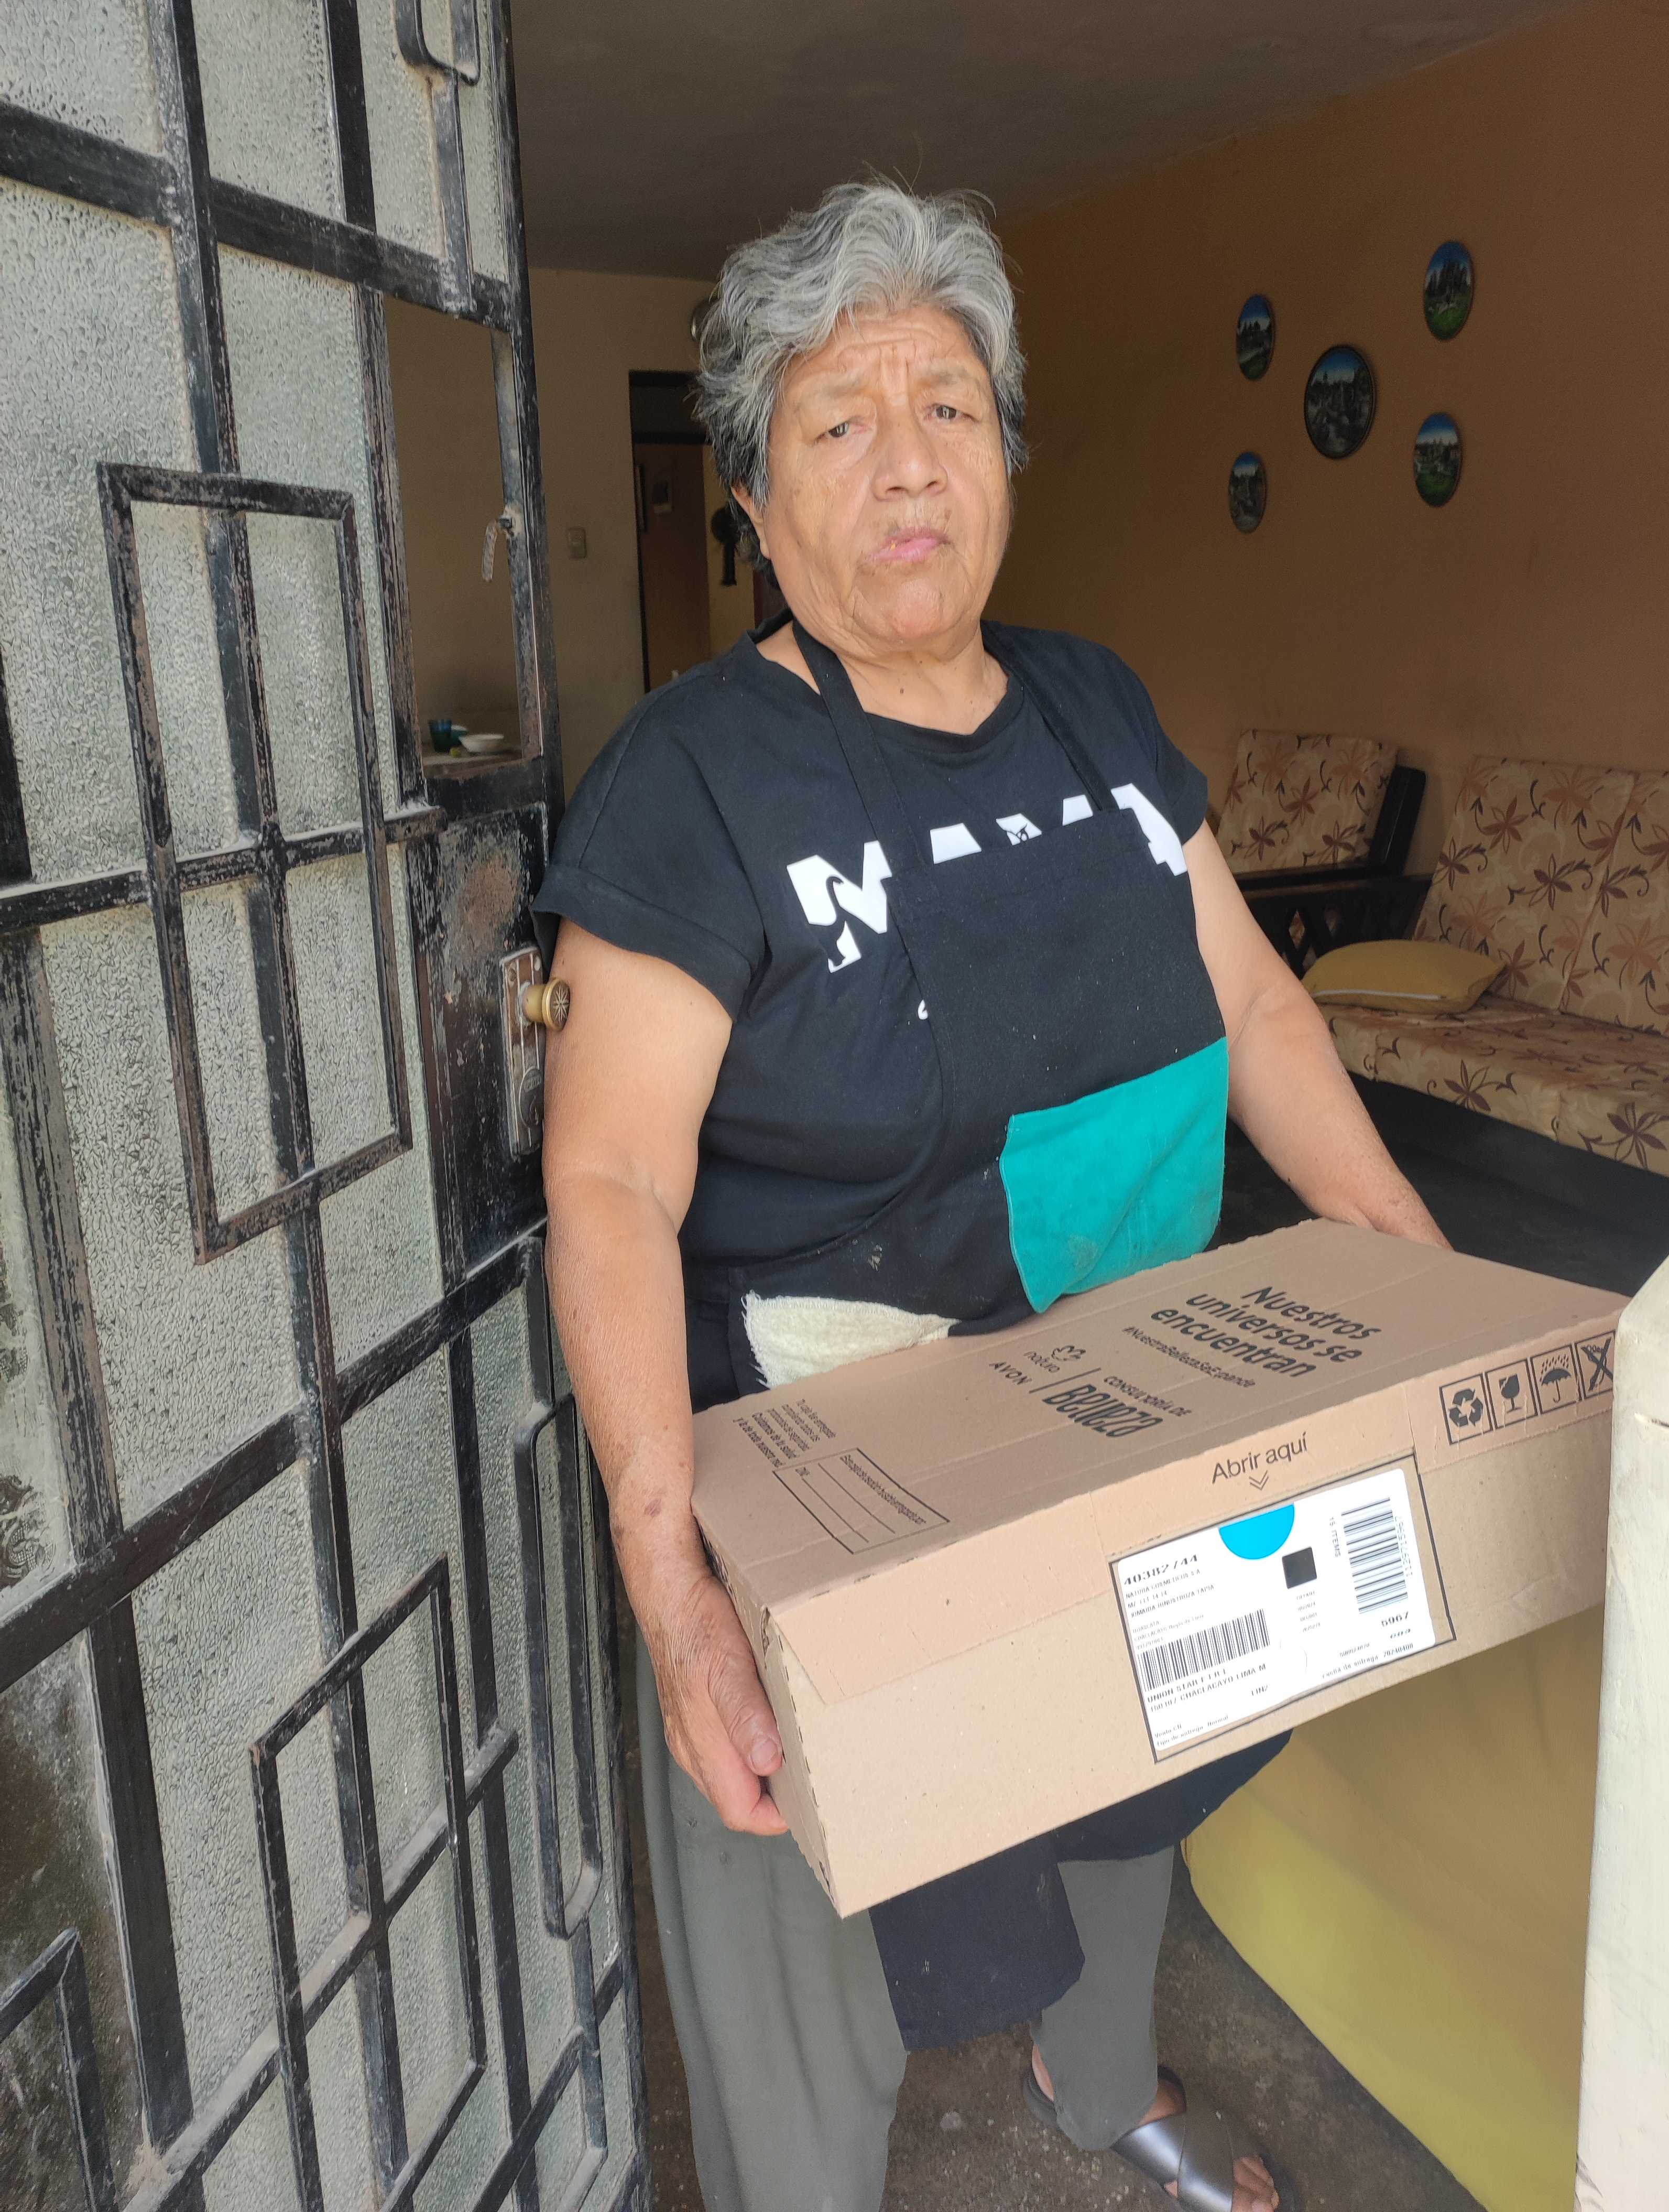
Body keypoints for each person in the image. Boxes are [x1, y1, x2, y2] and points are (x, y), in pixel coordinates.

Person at [538, 181, 1446, 2212]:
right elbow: (605, 1176)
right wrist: (676, 1584)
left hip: (1129, 1398)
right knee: (812, 1900)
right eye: (838, 421)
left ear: (1007, 454)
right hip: (835, 1467)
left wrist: (1412, 1264)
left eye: (947, 406)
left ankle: (1096, 2072)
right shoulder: (694, 778)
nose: (906, 465)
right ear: (753, 497)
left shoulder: (1096, 705)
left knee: (1143, 1759)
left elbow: (1257, 1004)